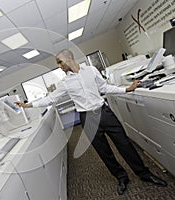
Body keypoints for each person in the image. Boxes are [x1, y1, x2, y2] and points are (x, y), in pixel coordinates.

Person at [16, 49, 167, 195]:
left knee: (124, 144)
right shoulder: (65, 83)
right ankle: (121, 177)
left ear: (69, 59)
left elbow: (104, 87)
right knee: (104, 152)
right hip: (87, 118)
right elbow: (51, 99)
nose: (59, 66)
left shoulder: (91, 70)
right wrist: (28, 105)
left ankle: (144, 174)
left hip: (104, 112)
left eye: (60, 62)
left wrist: (127, 89)